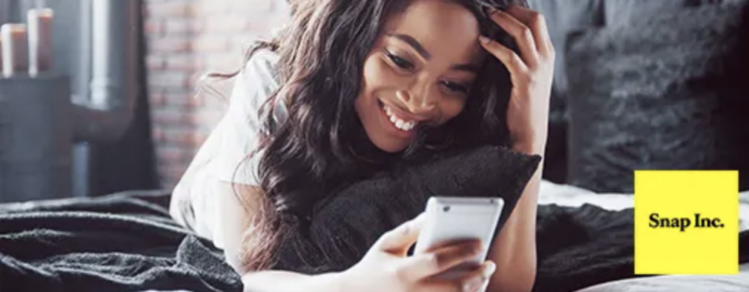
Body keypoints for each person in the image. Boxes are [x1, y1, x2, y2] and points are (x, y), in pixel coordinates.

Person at [170, 0, 555, 291]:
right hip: (212, 186)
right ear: (352, 37)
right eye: (401, 60)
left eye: (453, 84)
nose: (421, 102)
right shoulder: (274, 81)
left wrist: (531, 129)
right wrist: (357, 285)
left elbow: (509, 286)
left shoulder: (459, 121)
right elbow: (250, 276)